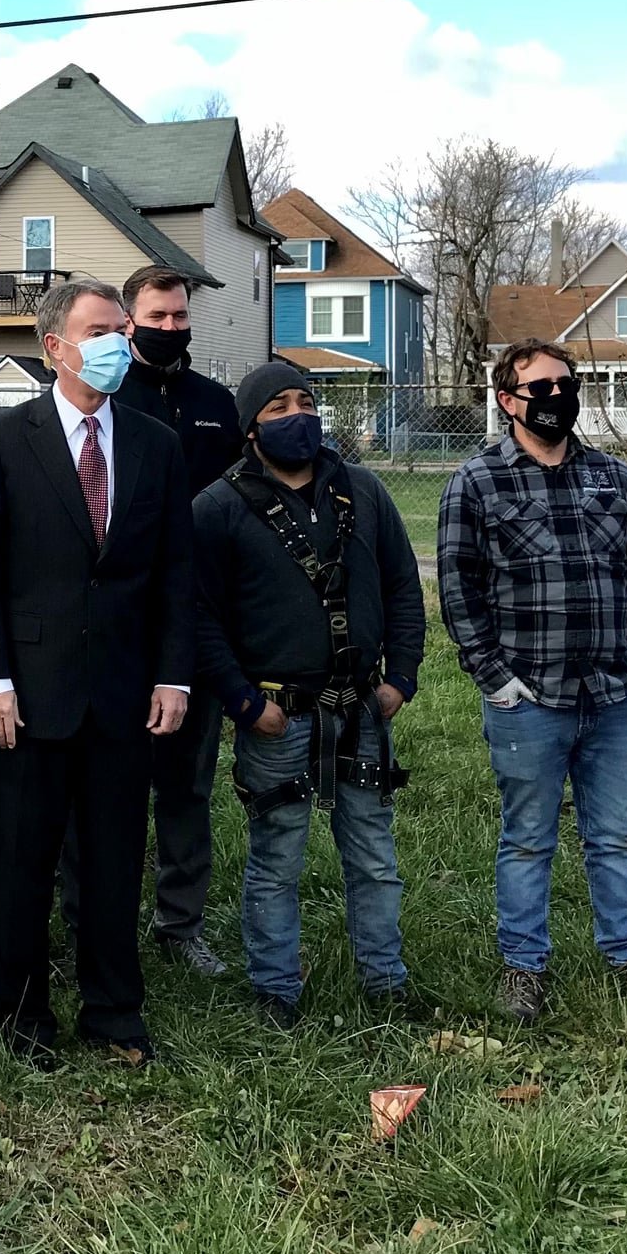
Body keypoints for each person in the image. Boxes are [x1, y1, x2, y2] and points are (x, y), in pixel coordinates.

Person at [0, 277, 194, 1066]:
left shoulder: (156, 443)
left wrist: (173, 676)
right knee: (22, 860)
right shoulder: (2, 439)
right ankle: (20, 1016)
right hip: (25, 694)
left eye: (123, 332)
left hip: (124, 693)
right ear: (54, 346)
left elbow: (172, 572)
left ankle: (113, 1009)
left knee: (116, 858)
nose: (119, 345)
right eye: (101, 331)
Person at [437, 338, 627, 1025]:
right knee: (528, 839)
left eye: (565, 384)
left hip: (614, 696)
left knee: (615, 835)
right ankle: (524, 970)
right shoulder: (478, 481)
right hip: (530, 700)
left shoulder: (614, 476)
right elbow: (459, 592)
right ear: (508, 400)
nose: (556, 397)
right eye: (540, 387)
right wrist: (495, 677)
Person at [192, 364, 425, 1027]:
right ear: (251, 426)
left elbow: (405, 589)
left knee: (375, 858)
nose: (298, 415)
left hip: (360, 708)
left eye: (306, 401)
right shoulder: (218, 507)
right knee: (277, 859)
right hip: (275, 714)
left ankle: (386, 982)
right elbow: (200, 617)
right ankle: (275, 991)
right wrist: (242, 703)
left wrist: (401, 677)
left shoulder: (365, 493)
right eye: (278, 406)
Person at [81, 263, 243, 979]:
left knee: (186, 786)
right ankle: (85, 917)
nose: (170, 329)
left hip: (198, 622)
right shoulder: (107, 396)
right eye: (157, 317)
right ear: (129, 317)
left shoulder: (216, 404)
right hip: (114, 624)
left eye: (180, 317)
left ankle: (181, 923)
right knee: (99, 784)